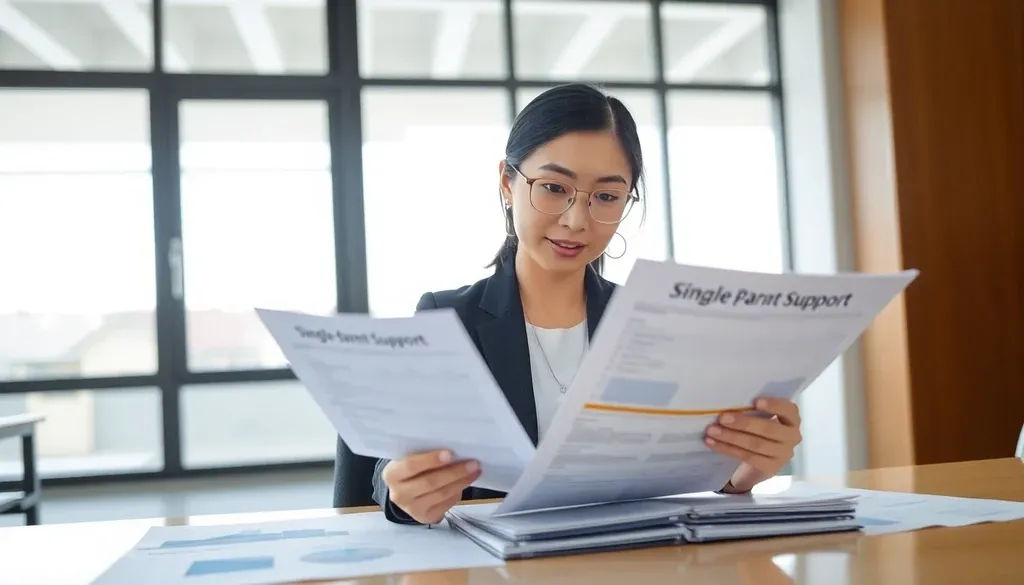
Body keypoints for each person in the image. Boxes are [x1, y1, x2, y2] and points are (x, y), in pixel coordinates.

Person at [363, 83, 803, 525]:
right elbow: (389, 468)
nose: (576, 220)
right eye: (554, 188)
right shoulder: (449, 318)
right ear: (507, 182)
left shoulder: (653, 323)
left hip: (628, 554)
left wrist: (737, 474)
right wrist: (406, 493)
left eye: (606, 197)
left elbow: (683, 468)